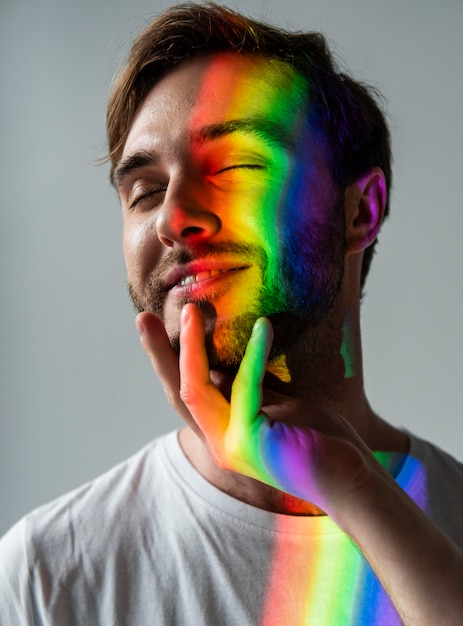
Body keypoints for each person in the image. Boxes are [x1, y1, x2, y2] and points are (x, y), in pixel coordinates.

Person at [1, 3, 462, 624]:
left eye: (238, 167)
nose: (171, 218)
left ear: (361, 211)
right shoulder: (44, 577)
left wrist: (351, 487)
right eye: (145, 190)